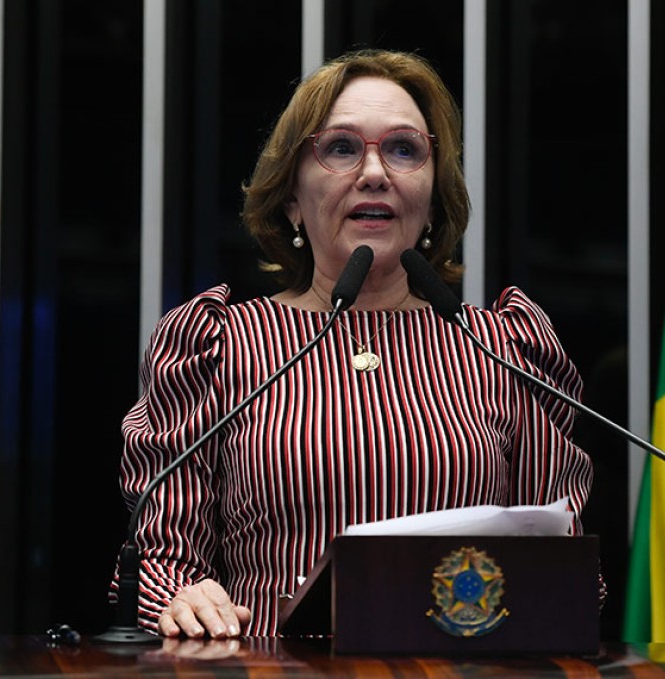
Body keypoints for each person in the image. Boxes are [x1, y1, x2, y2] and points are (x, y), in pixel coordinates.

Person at [110, 48, 594, 639]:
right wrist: (183, 599)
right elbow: (162, 558)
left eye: (404, 149)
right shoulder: (217, 344)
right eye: (341, 148)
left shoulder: (502, 348)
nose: (374, 173)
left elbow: (561, 566)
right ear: (291, 197)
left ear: (433, 197)